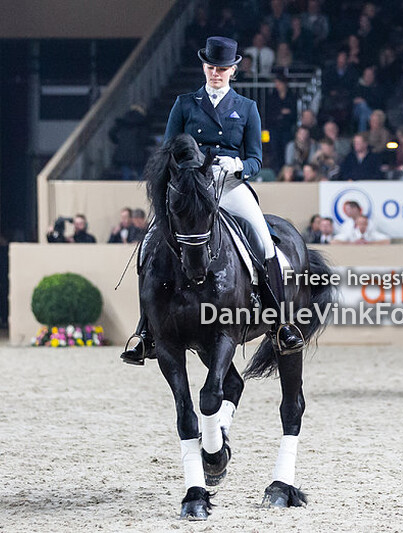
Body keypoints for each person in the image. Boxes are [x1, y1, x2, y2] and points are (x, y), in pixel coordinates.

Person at [121, 36, 303, 365]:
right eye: (210, 67)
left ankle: (279, 321)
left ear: (233, 71)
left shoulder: (247, 108)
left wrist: (239, 166)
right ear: (204, 68)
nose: (215, 73)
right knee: (150, 242)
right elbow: (168, 150)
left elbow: (257, 160)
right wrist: (185, 171)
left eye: (222, 68)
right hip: (192, 187)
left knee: (264, 241)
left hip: (229, 186)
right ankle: (145, 330)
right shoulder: (185, 104)